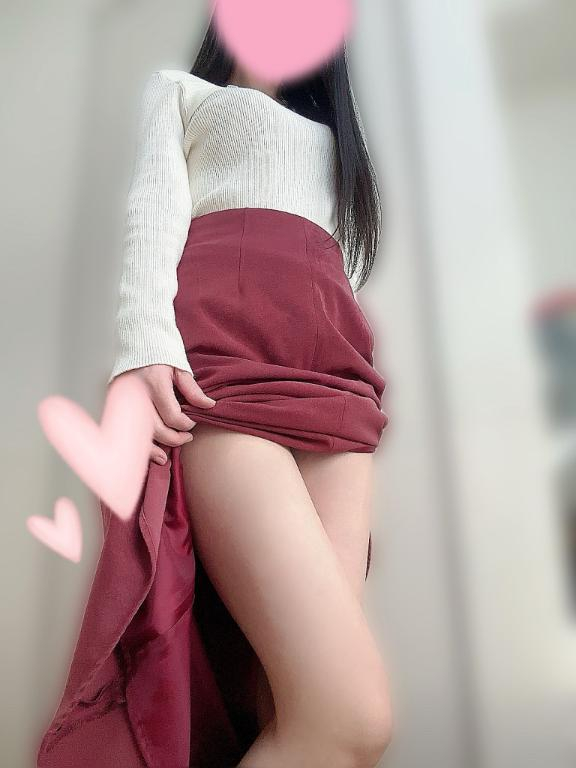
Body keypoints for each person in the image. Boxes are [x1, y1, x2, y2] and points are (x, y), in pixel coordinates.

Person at [37, 18, 392, 768]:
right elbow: (153, 212)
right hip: (223, 366)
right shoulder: (182, 93)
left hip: (336, 382)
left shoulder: (339, 141)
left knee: (293, 702)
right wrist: (145, 349)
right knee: (350, 717)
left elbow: (336, 266)